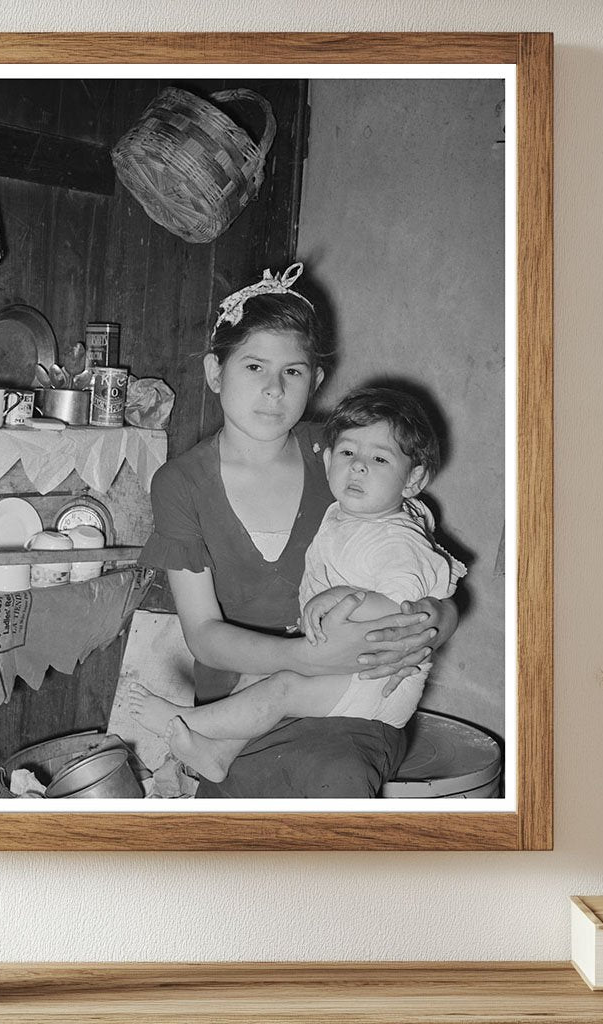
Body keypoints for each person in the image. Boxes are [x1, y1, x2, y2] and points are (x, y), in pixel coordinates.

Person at [137, 263, 459, 798]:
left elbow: (416, 558)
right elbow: (204, 635)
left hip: (349, 710)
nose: (272, 389)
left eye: (292, 372)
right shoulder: (180, 484)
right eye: (254, 366)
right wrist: (301, 658)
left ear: (316, 380)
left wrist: (437, 620)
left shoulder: (342, 455)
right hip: (233, 713)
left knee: (335, 799)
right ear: (216, 372)